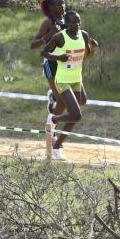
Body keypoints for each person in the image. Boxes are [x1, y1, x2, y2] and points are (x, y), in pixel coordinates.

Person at [42, 10, 98, 160]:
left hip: (76, 79)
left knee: (79, 108)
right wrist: (59, 57)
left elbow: (86, 57)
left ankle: (56, 148)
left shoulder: (83, 35)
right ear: (66, 24)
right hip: (62, 80)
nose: (77, 24)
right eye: (73, 22)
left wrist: (93, 50)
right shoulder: (59, 37)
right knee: (76, 115)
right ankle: (53, 119)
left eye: (78, 21)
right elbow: (44, 53)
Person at [30, 0, 66, 115]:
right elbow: (33, 45)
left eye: (63, 3)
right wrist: (49, 35)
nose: (62, 6)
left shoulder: (68, 19)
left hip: (66, 62)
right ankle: (53, 105)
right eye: (59, 4)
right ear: (51, 7)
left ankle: (54, 102)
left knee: (68, 100)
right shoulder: (48, 22)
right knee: (61, 102)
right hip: (51, 63)